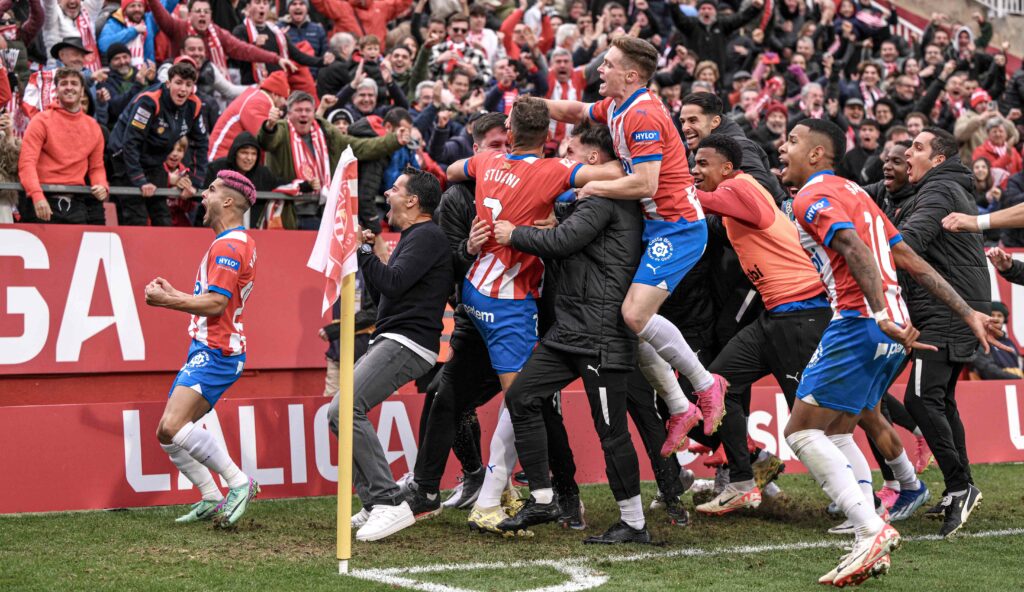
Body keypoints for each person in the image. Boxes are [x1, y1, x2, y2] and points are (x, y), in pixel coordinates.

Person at [779, 118, 1000, 585]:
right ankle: (873, 512)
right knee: (841, 427)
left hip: (862, 322)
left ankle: (869, 530)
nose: (783, 148)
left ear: (817, 155)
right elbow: (912, 261)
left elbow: (855, 249)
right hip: (892, 326)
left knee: (800, 433)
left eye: (792, 142)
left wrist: (879, 314)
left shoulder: (810, 196)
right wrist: (966, 313)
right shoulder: (858, 194)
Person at [441, 96, 625, 532]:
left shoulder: (485, 162)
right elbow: (619, 173)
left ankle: (502, 491)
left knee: (517, 400)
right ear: (548, 137)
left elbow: (451, 172)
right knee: (522, 403)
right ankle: (505, 498)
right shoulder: (553, 172)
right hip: (509, 300)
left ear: (508, 129)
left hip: (476, 289)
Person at [543, 36, 727, 457]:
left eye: (606, 65)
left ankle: (704, 385)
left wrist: (593, 188)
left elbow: (645, 183)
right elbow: (574, 110)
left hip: (678, 228)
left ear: (630, 75)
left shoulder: (642, 113)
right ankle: (681, 406)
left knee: (633, 314)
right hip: (656, 226)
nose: (598, 71)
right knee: (629, 321)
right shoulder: (618, 106)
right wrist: (530, 104)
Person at [488, 127, 649, 544]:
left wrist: (514, 233)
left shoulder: (606, 198)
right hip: (571, 331)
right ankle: (543, 497)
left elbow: (563, 241)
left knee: (611, 432)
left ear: (593, 160)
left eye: (571, 152)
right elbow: (569, 234)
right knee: (522, 396)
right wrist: (554, 217)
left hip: (600, 336)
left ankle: (634, 522)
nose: (565, 161)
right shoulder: (595, 200)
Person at [677, 134, 830, 515]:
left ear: (727, 168)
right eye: (693, 164)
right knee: (717, 387)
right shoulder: (735, 194)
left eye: (702, 164)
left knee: (819, 418)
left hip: (801, 313)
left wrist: (665, 186)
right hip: (775, 314)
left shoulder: (741, 188)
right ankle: (743, 483)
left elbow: (703, 203)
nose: (696, 171)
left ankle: (879, 491)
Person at [326, 167, 453, 542]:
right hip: (395, 337)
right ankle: (374, 502)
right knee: (340, 412)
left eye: (395, 188)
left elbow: (392, 282)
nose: (387, 192)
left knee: (343, 408)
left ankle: (388, 502)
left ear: (413, 201)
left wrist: (364, 252)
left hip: (407, 341)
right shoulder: (415, 237)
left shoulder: (427, 236)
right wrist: (369, 254)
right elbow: (387, 294)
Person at [145, 171, 260, 528]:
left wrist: (166, 302)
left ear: (228, 201)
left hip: (217, 352)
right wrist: (175, 293)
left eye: (210, 190)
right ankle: (211, 496)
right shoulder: (236, 241)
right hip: (209, 348)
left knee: (173, 425)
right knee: (167, 431)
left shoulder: (229, 245)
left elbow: (214, 305)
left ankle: (239, 482)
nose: (202, 196)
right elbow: (215, 300)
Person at [900, 127, 992, 536]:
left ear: (937, 160)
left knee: (921, 399)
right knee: (941, 400)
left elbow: (910, 241)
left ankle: (960, 486)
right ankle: (961, 487)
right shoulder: (944, 188)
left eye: (917, 147)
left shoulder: (937, 192)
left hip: (948, 309)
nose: (908, 153)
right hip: (954, 305)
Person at [257, 91, 407, 229]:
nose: (303, 114)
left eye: (308, 110)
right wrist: (269, 126)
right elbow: (267, 141)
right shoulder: (281, 129)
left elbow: (361, 147)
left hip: (320, 212)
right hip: (287, 212)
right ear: (289, 113)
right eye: (298, 110)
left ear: (313, 114)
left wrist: (394, 140)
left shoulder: (326, 132)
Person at [107, 60, 208, 226]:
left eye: (188, 85)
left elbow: (202, 144)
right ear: (168, 83)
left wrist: (195, 183)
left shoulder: (194, 105)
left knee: (163, 217)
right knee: (136, 217)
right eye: (178, 83)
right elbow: (131, 142)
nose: (183, 89)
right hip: (123, 158)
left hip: (154, 160)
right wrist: (140, 180)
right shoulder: (149, 102)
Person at [17, 67, 107, 225]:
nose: (69, 87)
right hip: (41, 201)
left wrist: (101, 185)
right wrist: (37, 196)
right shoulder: (41, 121)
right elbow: (26, 163)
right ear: (56, 91)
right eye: (64, 84)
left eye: (74, 83)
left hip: (77, 204)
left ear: (82, 90)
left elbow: (96, 168)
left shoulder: (93, 126)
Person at [208, 69, 290, 161]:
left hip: (229, 157)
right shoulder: (258, 103)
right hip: (221, 159)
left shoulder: (256, 97)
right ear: (275, 94)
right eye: (285, 98)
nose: (285, 103)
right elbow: (264, 141)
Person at [966, 299, 1021, 379]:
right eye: (992, 315)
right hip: (990, 388)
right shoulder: (979, 341)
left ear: (1004, 319)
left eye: (999, 316)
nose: (995, 319)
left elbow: (1020, 365)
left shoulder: (1009, 342)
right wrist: (1017, 378)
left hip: (1014, 386)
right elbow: (987, 369)